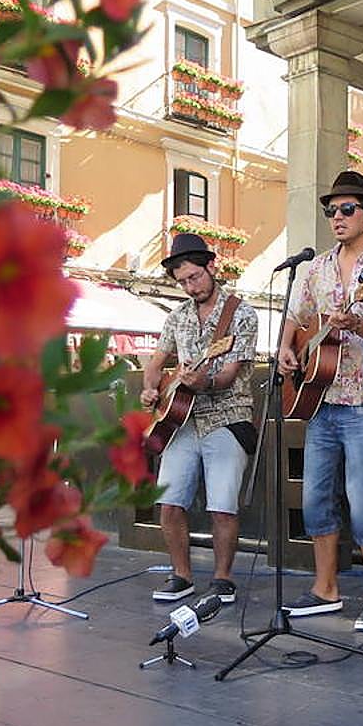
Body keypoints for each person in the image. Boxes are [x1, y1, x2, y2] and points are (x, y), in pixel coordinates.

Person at [279, 170, 363, 632]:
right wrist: (285, 349)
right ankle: (325, 589)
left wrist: (356, 324)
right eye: (331, 210)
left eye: (347, 209)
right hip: (319, 399)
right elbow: (296, 320)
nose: (337, 217)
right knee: (315, 497)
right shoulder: (314, 268)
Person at [140, 232, 258, 605]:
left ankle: (223, 578)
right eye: (182, 282)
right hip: (180, 419)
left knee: (222, 504)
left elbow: (228, 375)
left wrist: (203, 380)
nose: (190, 287)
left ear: (212, 267)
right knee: (170, 501)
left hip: (226, 414)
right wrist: (152, 389)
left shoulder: (242, 313)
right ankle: (182, 575)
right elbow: (156, 363)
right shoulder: (176, 317)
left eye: (194, 278)